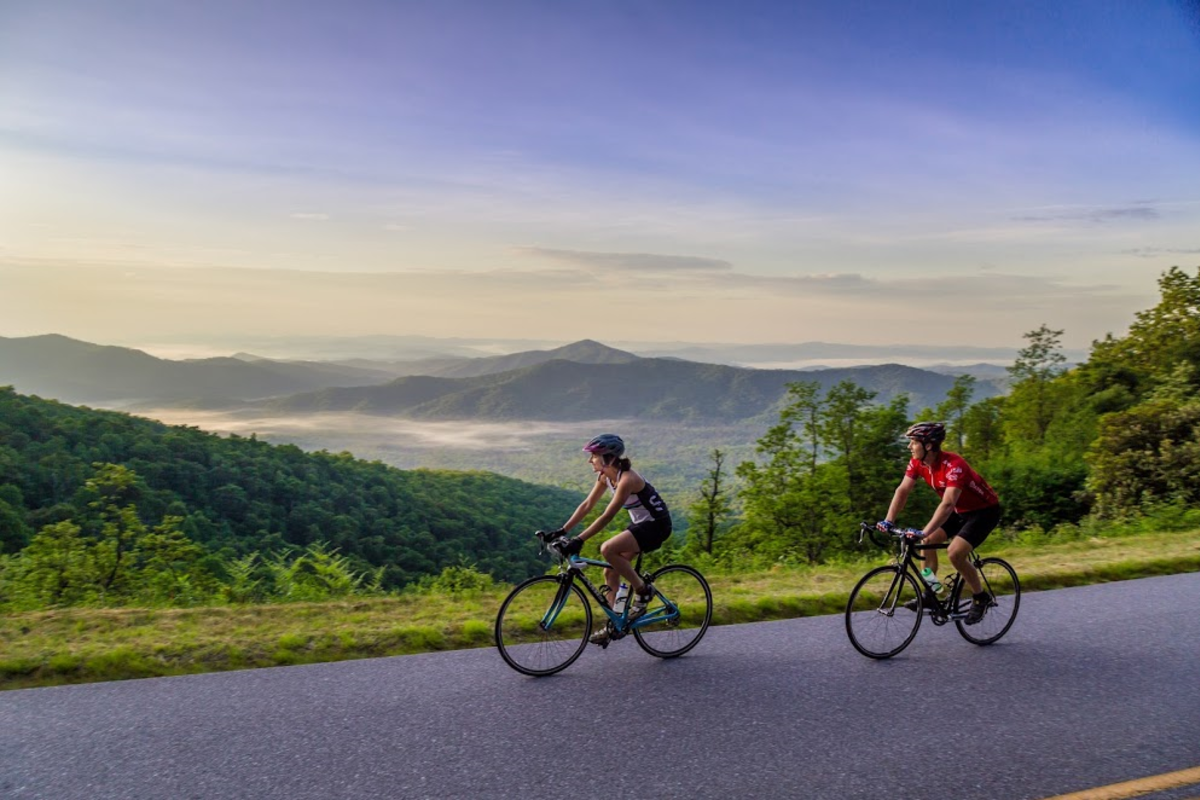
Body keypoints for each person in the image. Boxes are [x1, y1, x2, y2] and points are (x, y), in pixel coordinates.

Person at [548, 433, 673, 645]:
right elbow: (587, 505)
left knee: (608, 549)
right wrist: (562, 531)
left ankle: (643, 591)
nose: (590, 460)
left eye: (594, 456)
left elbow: (607, 515)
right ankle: (615, 623)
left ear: (608, 457)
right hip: (641, 525)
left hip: (657, 526)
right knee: (610, 571)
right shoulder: (606, 476)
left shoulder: (627, 479)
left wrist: (579, 539)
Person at [877, 421, 1002, 624]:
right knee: (927, 543)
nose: (910, 447)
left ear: (928, 445)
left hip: (984, 512)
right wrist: (888, 520)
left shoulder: (954, 466)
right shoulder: (918, 462)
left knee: (955, 553)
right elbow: (902, 490)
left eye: (913, 442)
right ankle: (932, 592)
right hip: (959, 511)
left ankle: (980, 598)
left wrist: (924, 531)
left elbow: (947, 503)